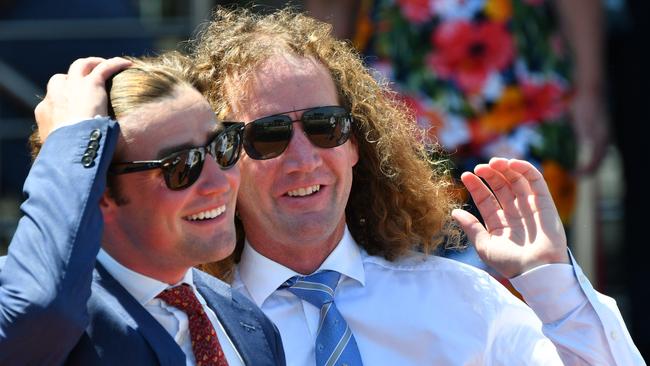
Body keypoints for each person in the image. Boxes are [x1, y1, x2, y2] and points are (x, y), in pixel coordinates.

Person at [191, 8, 644, 365]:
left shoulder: (463, 300)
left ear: (355, 145)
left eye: (325, 126)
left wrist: (553, 286)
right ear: (222, 159)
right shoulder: (196, 330)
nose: (305, 159)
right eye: (269, 136)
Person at [0, 54, 285, 365]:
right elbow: (40, 309)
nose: (220, 182)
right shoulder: (43, 311)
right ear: (101, 190)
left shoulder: (250, 323)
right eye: (181, 166)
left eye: (222, 145)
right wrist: (72, 143)